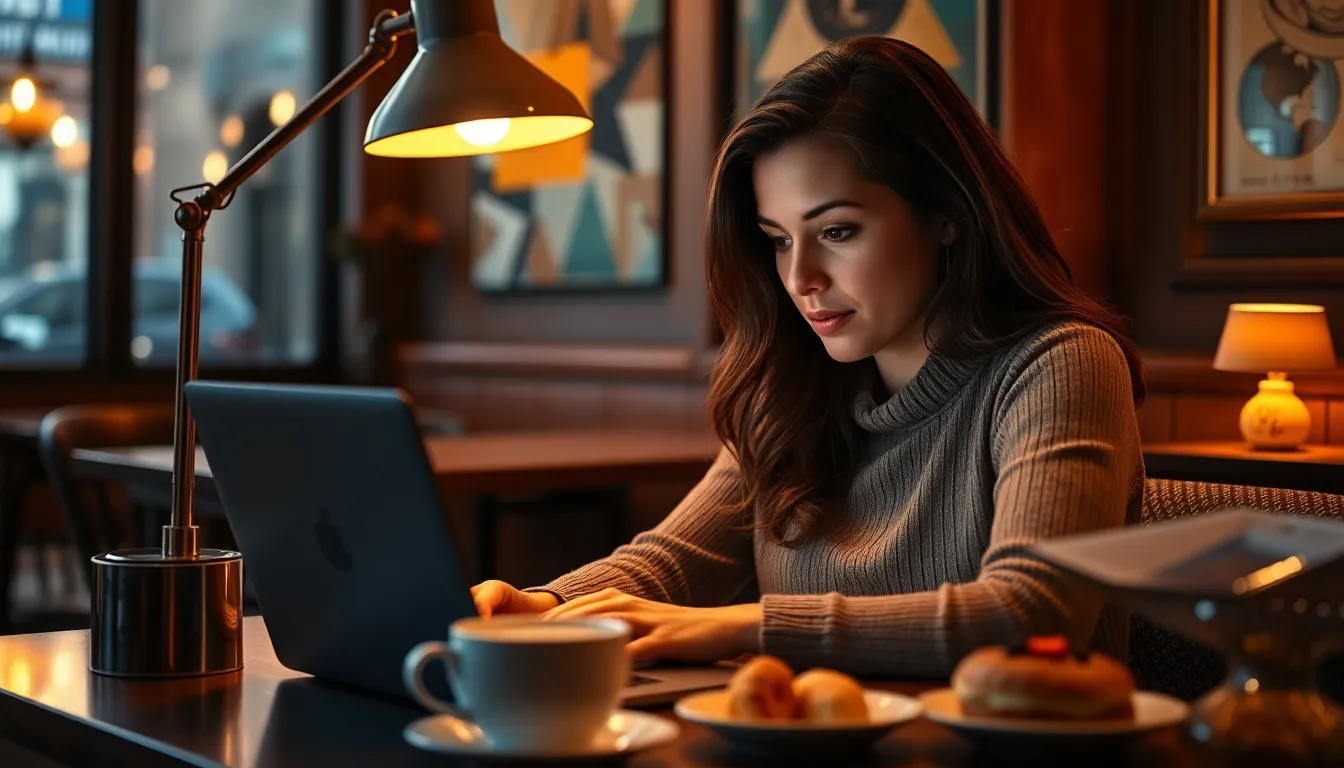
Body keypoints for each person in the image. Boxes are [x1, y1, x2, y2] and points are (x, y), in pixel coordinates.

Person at [471, 36, 1146, 678]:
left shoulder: (1060, 364)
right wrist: (544, 607)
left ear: (947, 215)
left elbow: (1031, 614)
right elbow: (674, 563)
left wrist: (752, 626)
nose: (801, 279)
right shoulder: (795, 386)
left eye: (837, 231)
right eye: (778, 240)